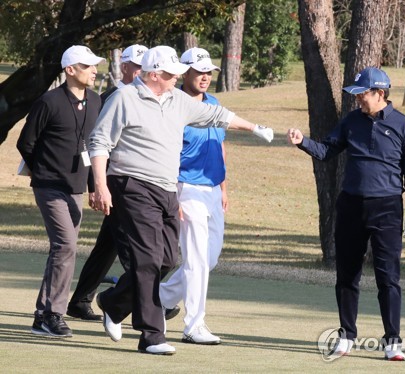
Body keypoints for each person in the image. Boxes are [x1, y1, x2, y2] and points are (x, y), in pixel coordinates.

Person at [88, 45, 273, 355]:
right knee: (147, 259)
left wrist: (255, 128)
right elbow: (99, 142)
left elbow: (217, 115)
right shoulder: (125, 99)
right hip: (131, 184)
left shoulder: (177, 101)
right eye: (172, 74)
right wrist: (100, 185)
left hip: (166, 189)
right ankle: (152, 335)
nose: (177, 78)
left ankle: (114, 302)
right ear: (154, 75)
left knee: (166, 260)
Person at [287, 67, 405, 361]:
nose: (358, 99)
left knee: (389, 278)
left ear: (380, 94)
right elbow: (326, 151)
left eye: (362, 94)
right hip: (351, 205)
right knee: (347, 275)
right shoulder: (351, 122)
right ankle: (347, 336)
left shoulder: (403, 125)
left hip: (387, 208)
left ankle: (392, 342)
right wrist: (302, 142)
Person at [16, 45, 105, 337]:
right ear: (70, 70)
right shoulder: (49, 101)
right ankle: (54, 313)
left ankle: (42, 314)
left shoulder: (95, 101)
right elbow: (26, 143)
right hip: (49, 187)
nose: (94, 70)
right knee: (66, 246)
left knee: (62, 249)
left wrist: (94, 186)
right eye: (88, 66)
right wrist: (42, 174)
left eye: (95, 66)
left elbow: (94, 149)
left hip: (77, 187)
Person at [66, 44, 148, 321]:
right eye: (136, 66)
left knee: (108, 245)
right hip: (115, 182)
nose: (141, 71)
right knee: (130, 245)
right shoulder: (111, 96)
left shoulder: (146, 97)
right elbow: (94, 144)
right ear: (124, 67)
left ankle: (80, 300)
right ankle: (147, 299)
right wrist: (96, 184)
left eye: (145, 66)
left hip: (133, 181)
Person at [158, 47, 226, 345]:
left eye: (208, 71)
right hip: (186, 187)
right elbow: (167, 153)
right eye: (199, 71)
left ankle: (155, 298)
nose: (205, 77)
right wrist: (173, 195)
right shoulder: (175, 105)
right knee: (196, 260)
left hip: (213, 189)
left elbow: (221, 146)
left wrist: (224, 188)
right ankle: (193, 325)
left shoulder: (214, 103)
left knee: (208, 259)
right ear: (183, 72)